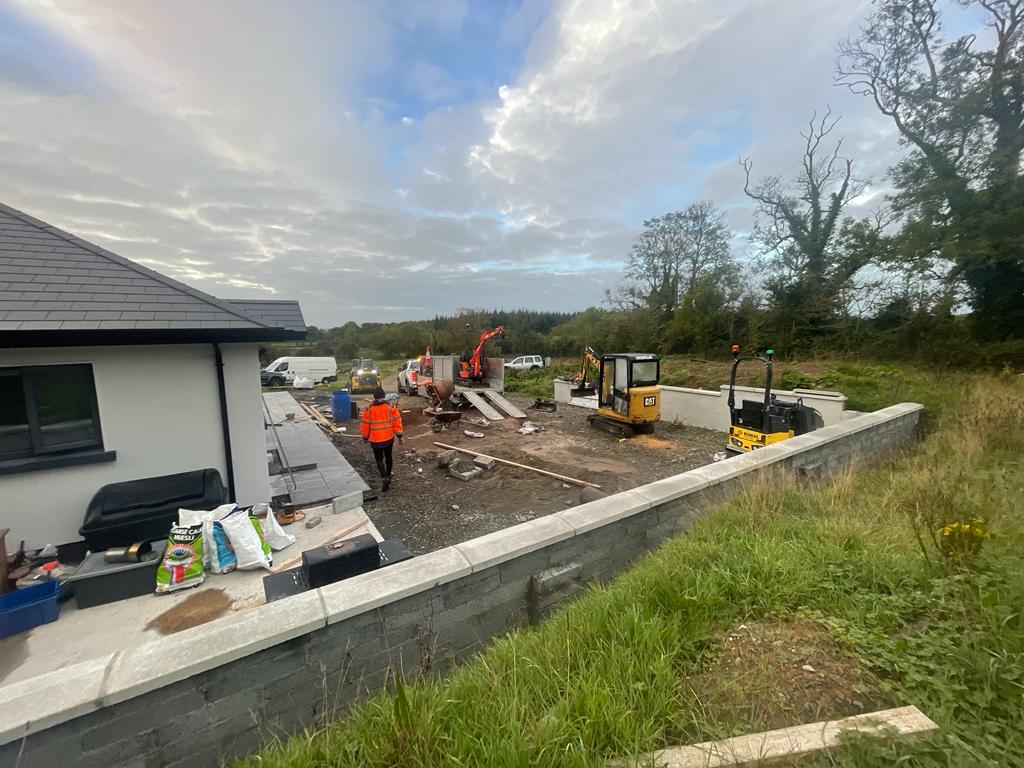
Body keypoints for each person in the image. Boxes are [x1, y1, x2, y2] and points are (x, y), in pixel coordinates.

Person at [360, 387, 403, 491]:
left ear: (374, 397)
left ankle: (384, 477)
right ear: (383, 396)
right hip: (388, 438)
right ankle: (388, 475)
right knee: (388, 457)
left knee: (379, 459)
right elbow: (397, 421)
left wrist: (365, 437)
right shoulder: (390, 406)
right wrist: (399, 435)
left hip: (376, 440)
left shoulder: (369, 409)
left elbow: (365, 424)